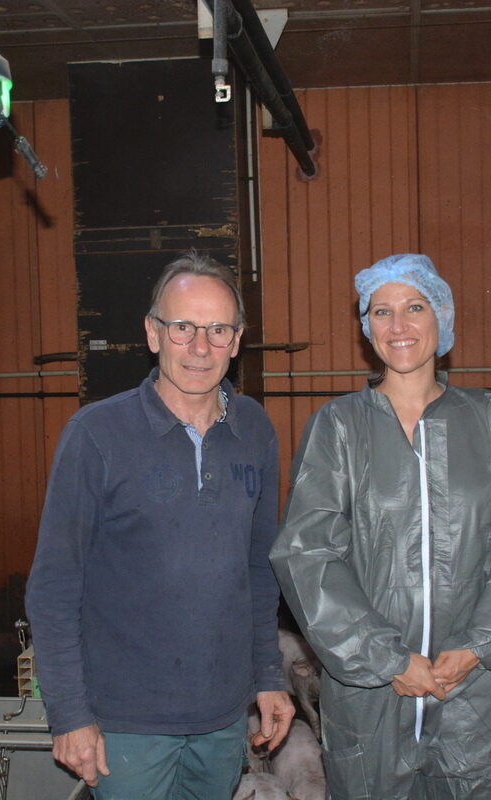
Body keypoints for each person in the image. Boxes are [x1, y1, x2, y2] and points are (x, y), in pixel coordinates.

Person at [270, 253, 491, 799]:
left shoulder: (490, 421)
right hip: (368, 689)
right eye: (380, 312)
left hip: (469, 688)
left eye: (414, 307)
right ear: (366, 328)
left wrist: (480, 645)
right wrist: (386, 658)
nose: (398, 325)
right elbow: (307, 553)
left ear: (443, 319)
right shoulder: (338, 427)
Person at [26, 251, 294, 799]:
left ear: (237, 340)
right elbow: (54, 585)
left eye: (218, 330)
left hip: (222, 713)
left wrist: (268, 677)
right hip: (125, 720)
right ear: (153, 333)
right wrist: (69, 713)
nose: (201, 347)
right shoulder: (97, 434)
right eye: (183, 328)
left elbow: (260, 570)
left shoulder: (255, 429)